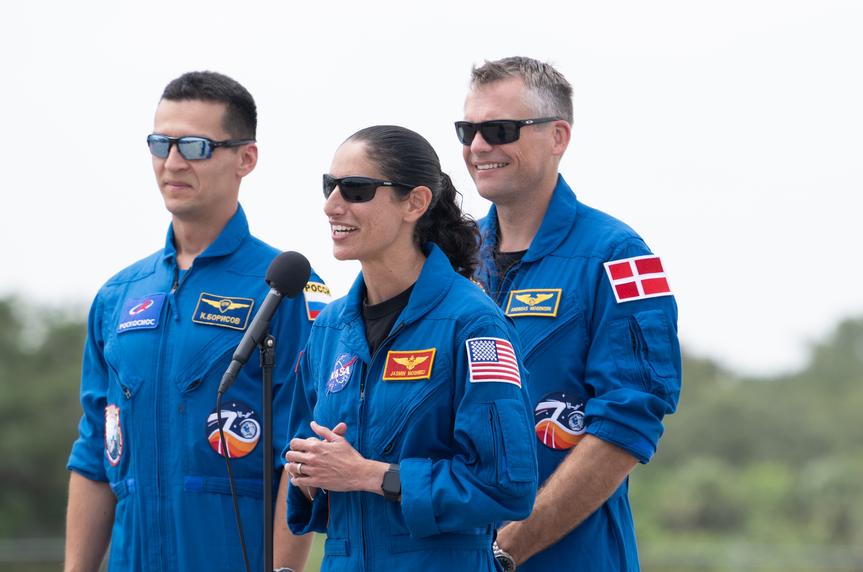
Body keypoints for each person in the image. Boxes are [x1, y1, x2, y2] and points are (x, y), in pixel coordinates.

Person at [65, 71, 322, 572]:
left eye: (196, 146)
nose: (173, 162)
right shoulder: (118, 297)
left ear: (245, 158)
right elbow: (95, 452)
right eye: (161, 143)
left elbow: (301, 456)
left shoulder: (287, 289)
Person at [459, 56, 682, 571]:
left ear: (558, 136)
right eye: (467, 130)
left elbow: (627, 424)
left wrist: (505, 551)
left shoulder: (622, 257)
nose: (478, 147)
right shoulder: (450, 257)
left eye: (499, 129)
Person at [283, 125, 538, 570]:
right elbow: (311, 470)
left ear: (415, 203)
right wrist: (307, 474)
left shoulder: (473, 324)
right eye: (330, 186)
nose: (331, 205)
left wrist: (370, 476)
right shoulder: (328, 329)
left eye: (356, 189)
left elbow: (507, 487)